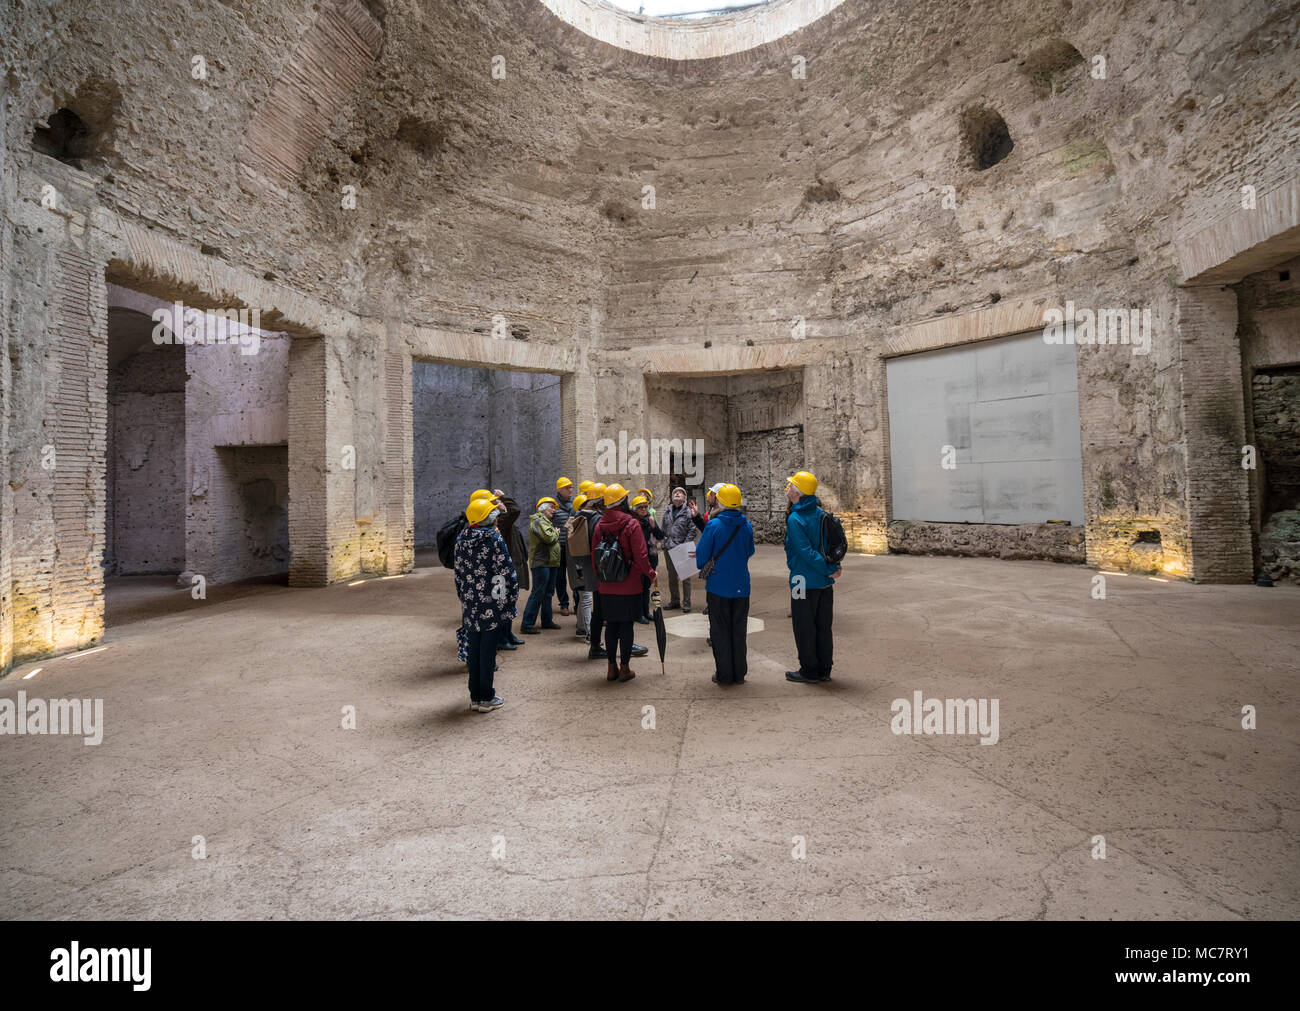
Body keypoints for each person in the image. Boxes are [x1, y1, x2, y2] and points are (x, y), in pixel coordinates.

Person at [453, 495, 518, 712]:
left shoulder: (461, 538)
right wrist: (508, 599)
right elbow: (505, 572)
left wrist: (464, 596)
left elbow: (459, 575)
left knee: (474, 649)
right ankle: (487, 697)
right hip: (491, 602)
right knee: (488, 650)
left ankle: (475, 696)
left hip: (471, 603)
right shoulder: (493, 539)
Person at [593, 484, 657, 683]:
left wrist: (600, 580)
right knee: (626, 626)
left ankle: (611, 668)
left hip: (606, 585)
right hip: (629, 584)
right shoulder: (631, 524)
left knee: (611, 625)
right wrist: (650, 573)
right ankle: (625, 668)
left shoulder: (599, 525)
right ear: (623, 501)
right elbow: (640, 554)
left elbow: (594, 557)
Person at [692, 483, 754, 685]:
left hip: (719, 586)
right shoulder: (747, 526)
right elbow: (750, 551)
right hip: (741, 586)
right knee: (739, 629)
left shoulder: (714, 526)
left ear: (720, 502)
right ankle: (739, 674)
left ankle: (725, 675)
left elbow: (701, 559)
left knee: (720, 631)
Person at [783, 470, 841, 684]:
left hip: (801, 581)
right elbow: (832, 546)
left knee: (803, 626)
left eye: (790, 486)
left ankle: (809, 670)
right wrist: (833, 567)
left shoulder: (795, 519)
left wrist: (827, 569)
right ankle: (824, 668)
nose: (787, 489)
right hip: (825, 583)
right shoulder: (821, 513)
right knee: (823, 626)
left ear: (797, 493)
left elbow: (805, 552)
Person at [478, 489, 527, 650]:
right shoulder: (497, 521)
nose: (499, 504)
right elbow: (515, 510)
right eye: (494, 502)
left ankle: (507, 634)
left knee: (508, 604)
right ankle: (501, 638)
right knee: (501, 605)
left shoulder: (498, 520)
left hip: (504, 569)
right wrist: (503, 496)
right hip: (499, 573)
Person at [520, 497, 563, 633]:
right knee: (538, 592)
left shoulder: (546, 522)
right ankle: (527, 624)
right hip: (541, 563)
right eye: (551, 507)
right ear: (543, 508)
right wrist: (556, 532)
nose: (553, 510)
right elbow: (549, 538)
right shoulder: (538, 521)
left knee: (548, 593)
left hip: (550, 562)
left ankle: (547, 620)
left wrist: (553, 532)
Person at [661, 486, 697, 613]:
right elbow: (663, 528)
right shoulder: (667, 511)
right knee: (672, 576)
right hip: (669, 547)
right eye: (675, 492)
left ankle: (686, 603)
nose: (677, 494)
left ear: (684, 498)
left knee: (685, 577)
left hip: (683, 547)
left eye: (680, 493)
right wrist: (663, 542)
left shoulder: (688, 512)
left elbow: (693, 530)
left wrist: (685, 545)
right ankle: (675, 600)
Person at [632, 494, 665, 623]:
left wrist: (653, 526)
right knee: (639, 588)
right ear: (635, 509)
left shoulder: (649, 519)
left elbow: (660, 536)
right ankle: (638, 614)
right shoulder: (633, 522)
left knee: (646, 587)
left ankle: (645, 612)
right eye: (641, 507)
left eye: (646, 507)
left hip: (650, 558)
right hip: (639, 559)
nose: (644, 510)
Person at [568, 493, 594, 641]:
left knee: (583, 598)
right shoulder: (579, 523)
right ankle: (589, 633)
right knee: (586, 599)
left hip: (579, 567)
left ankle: (581, 628)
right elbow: (577, 548)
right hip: (581, 567)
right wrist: (580, 570)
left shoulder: (574, 521)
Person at [552, 477, 575, 616]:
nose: (570, 490)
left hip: (573, 545)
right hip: (560, 546)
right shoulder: (553, 507)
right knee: (560, 577)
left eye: (571, 487)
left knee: (576, 576)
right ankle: (564, 604)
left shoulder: (575, 505)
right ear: (560, 490)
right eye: (567, 488)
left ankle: (578, 604)